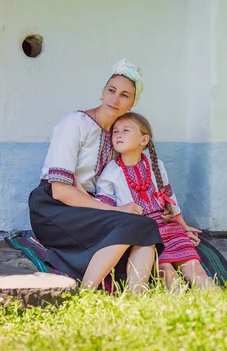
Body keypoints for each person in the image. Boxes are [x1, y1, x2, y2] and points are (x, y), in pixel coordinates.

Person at [29, 59, 164, 293]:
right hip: (53, 207)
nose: (115, 99)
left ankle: (137, 298)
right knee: (128, 223)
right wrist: (117, 211)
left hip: (91, 206)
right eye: (111, 90)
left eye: (124, 95)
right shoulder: (75, 124)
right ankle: (87, 292)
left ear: (132, 103)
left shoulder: (119, 135)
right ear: (102, 92)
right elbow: (59, 190)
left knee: (144, 225)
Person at [94, 112, 214, 290]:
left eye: (126, 130)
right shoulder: (111, 172)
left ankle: (217, 299)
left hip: (168, 225)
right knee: (164, 269)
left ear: (144, 140)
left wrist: (183, 225)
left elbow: (169, 198)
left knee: (194, 269)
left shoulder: (156, 165)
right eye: (115, 132)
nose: (118, 134)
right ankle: (175, 303)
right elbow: (104, 207)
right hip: (143, 231)